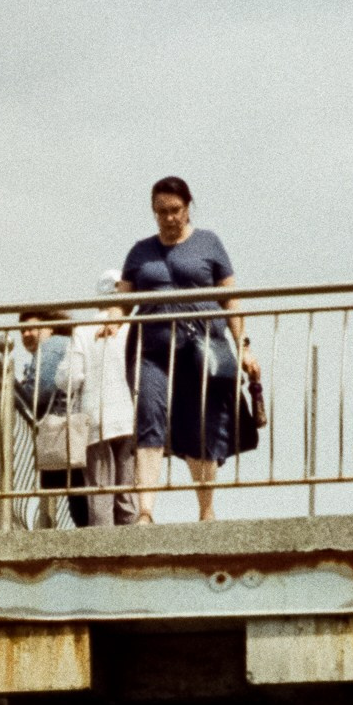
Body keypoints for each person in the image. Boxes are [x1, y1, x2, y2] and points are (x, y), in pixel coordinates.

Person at [116, 177, 261, 520]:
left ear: (188, 207)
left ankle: (206, 511)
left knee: (201, 425)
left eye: (176, 210)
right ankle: (145, 513)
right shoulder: (140, 251)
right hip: (153, 350)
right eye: (161, 212)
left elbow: (231, 299)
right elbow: (121, 301)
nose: (169, 218)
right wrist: (111, 318)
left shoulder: (209, 243)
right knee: (149, 418)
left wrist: (243, 347)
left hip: (202, 350)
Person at [11, 283, 137, 527]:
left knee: (93, 498)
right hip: (125, 418)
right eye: (22, 331)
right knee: (124, 492)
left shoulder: (53, 345)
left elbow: (45, 388)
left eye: (32, 328)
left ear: (49, 326)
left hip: (79, 430)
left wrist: (16, 392)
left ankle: (102, 550)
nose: (26, 334)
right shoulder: (123, 330)